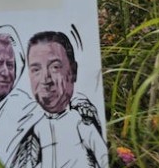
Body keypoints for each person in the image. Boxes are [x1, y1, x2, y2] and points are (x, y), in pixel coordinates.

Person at [9, 32, 107, 168]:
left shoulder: (80, 121)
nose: (45, 79)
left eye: (55, 67)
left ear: (73, 71)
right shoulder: (36, 128)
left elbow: (103, 158)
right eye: (36, 69)